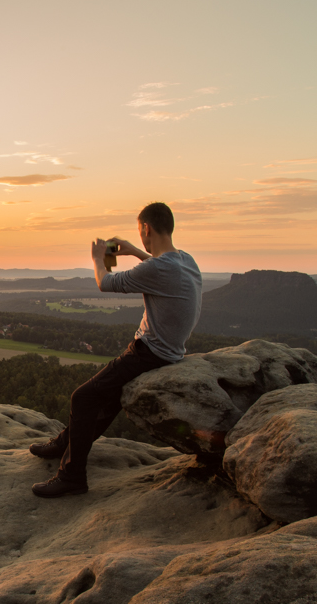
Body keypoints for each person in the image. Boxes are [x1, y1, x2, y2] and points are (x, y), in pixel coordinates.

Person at [30, 202, 202, 498]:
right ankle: (64, 445)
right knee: (107, 400)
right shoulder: (185, 261)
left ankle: (72, 477)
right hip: (169, 352)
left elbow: (105, 283)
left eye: (140, 231)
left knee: (82, 398)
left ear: (146, 228)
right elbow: (161, 266)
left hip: (148, 353)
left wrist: (100, 257)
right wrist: (134, 251)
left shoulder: (159, 267)